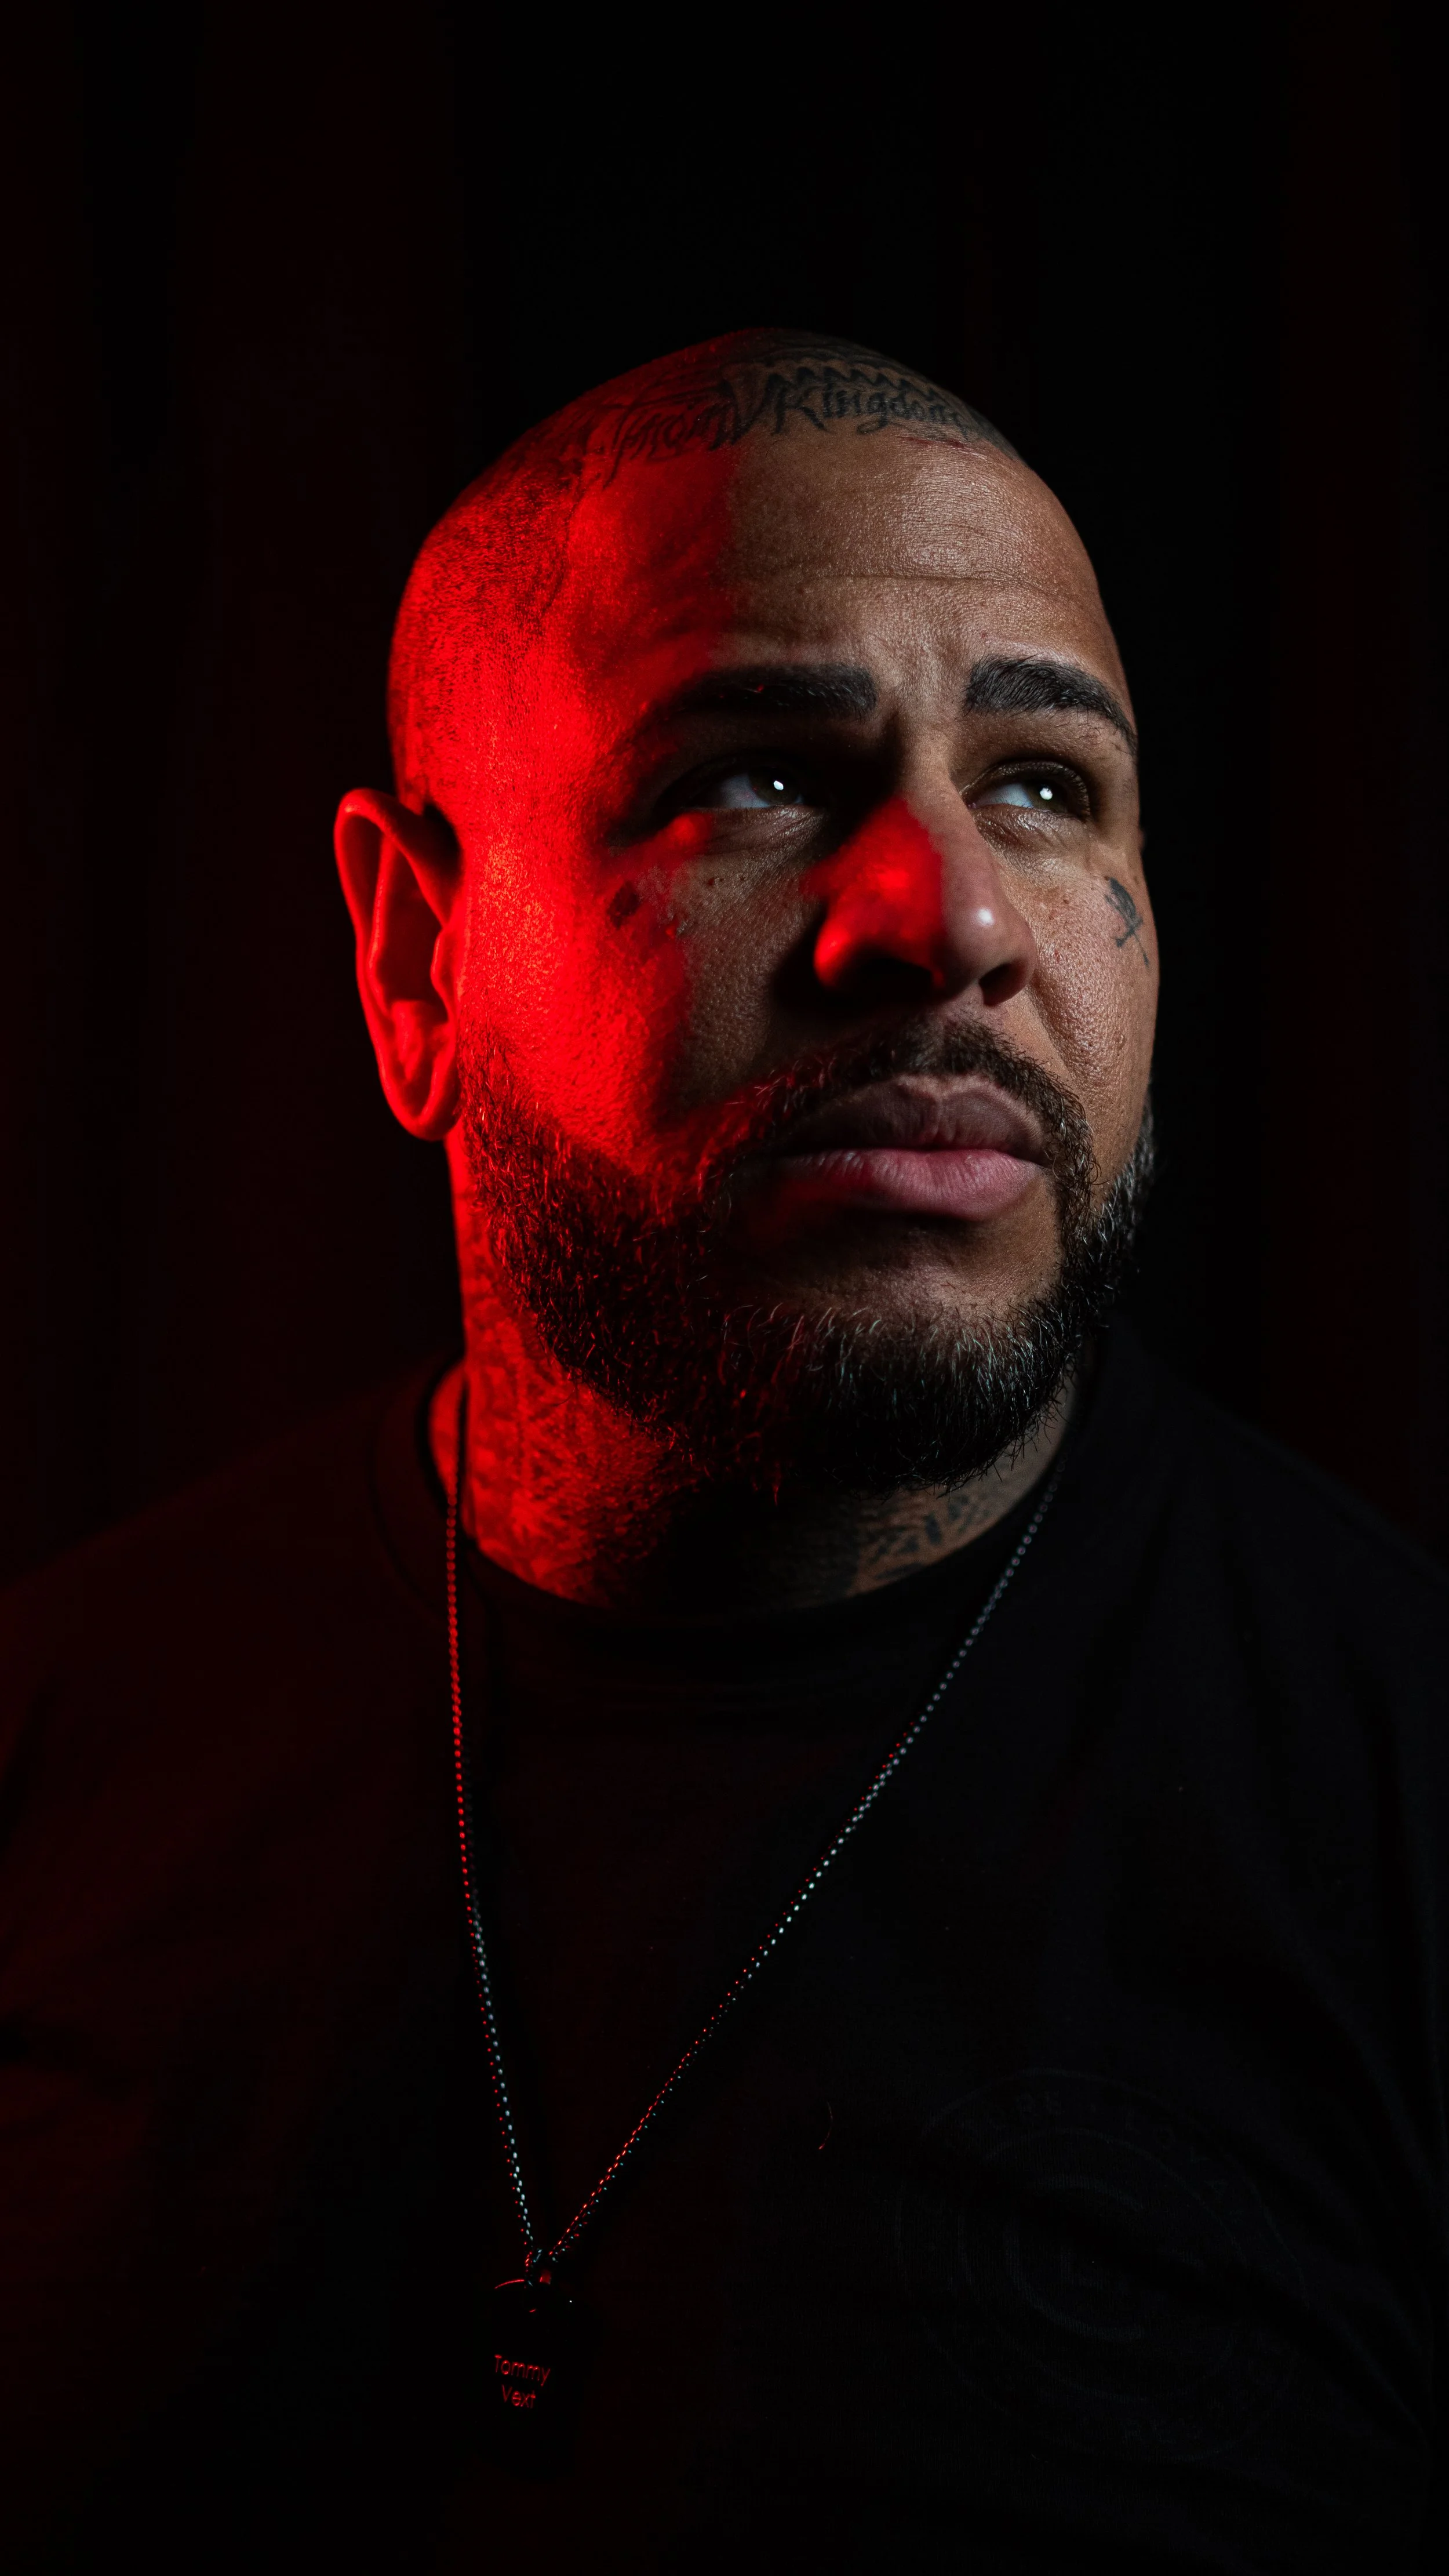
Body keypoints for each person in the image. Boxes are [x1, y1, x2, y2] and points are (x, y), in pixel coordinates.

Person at [2, 330, 1446, 2574]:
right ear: (409, 960)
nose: (949, 923)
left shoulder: (1400, 1800)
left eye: (1048, 788)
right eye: (757, 778)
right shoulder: (58, 1764)